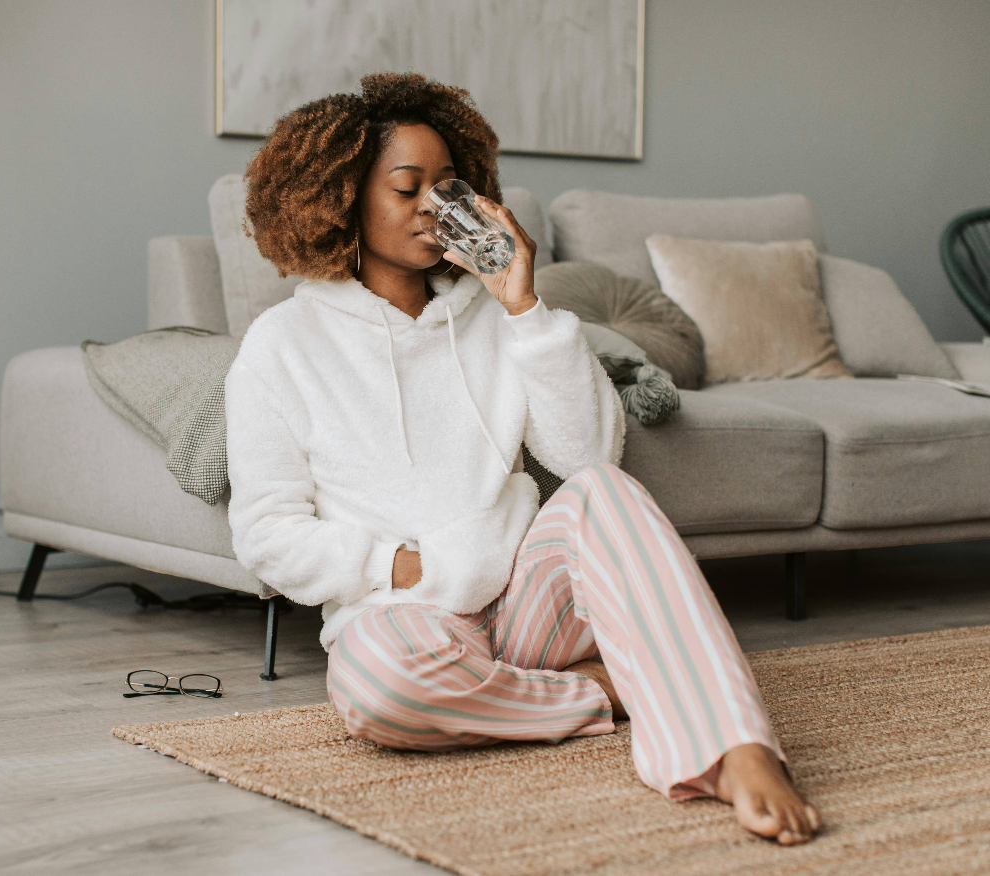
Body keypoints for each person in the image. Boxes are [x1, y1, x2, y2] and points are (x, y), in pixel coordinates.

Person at [224, 72, 821, 845]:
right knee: (376, 689)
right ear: (339, 198)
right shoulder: (282, 346)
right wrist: (407, 567)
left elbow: (588, 455)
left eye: (449, 187)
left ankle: (734, 747)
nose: (435, 208)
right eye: (408, 188)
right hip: (405, 617)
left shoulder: (496, 314)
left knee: (605, 490)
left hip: (526, 602)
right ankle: (602, 693)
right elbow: (266, 536)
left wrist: (523, 307)